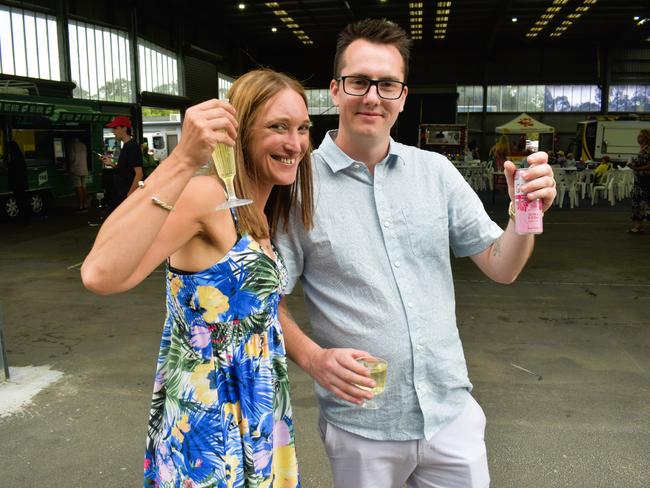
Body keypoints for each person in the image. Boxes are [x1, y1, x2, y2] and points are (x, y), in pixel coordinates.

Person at [274, 18, 556, 488]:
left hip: (451, 413)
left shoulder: (436, 172)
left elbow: (501, 266)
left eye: (387, 84)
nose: (372, 96)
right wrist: (313, 359)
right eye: (359, 81)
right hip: (362, 423)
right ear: (335, 90)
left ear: (403, 96)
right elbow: (265, 297)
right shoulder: (298, 186)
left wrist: (523, 216)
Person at [81, 68, 314, 487]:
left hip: (256, 411)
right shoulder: (207, 197)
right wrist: (183, 159)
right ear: (238, 132)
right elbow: (100, 273)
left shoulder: (254, 209)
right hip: (210, 419)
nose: (295, 143)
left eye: (302, 128)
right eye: (278, 127)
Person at [101, 116, 143, 211]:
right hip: (122, 193)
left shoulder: (132, 147)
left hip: (126, 194)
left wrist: (130, 195)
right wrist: (111, 164)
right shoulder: (126, 146)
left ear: (124, 128)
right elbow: (125, 171)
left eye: (115, 128)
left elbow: (139, 173)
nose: (113, 131)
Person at [628, 128, 650, 234]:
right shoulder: (642, 149)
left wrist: (637, 168)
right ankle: (638, 226)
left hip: (646, 181)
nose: (638, 137)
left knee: (646, 202)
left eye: (640, 135)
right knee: (636, 202)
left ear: (646, 137)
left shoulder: (648, 149)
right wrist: (634, 164)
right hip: (639, 181)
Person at [6, 140, 30, 224]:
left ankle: (23, 219)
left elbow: (12, 170)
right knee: (22, 201)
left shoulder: (14, 158)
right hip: (21, 183)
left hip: (17, 184)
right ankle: (25, 218)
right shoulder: (20, 156)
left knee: (20, 201)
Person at [68, 136, 89, 211]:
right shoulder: (83, 145)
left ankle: (80, 205)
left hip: (76, 170)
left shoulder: (72, 146)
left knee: (78, 188)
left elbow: (71, 158)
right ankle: (85, 204)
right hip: (84, 169)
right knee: (84, 187)